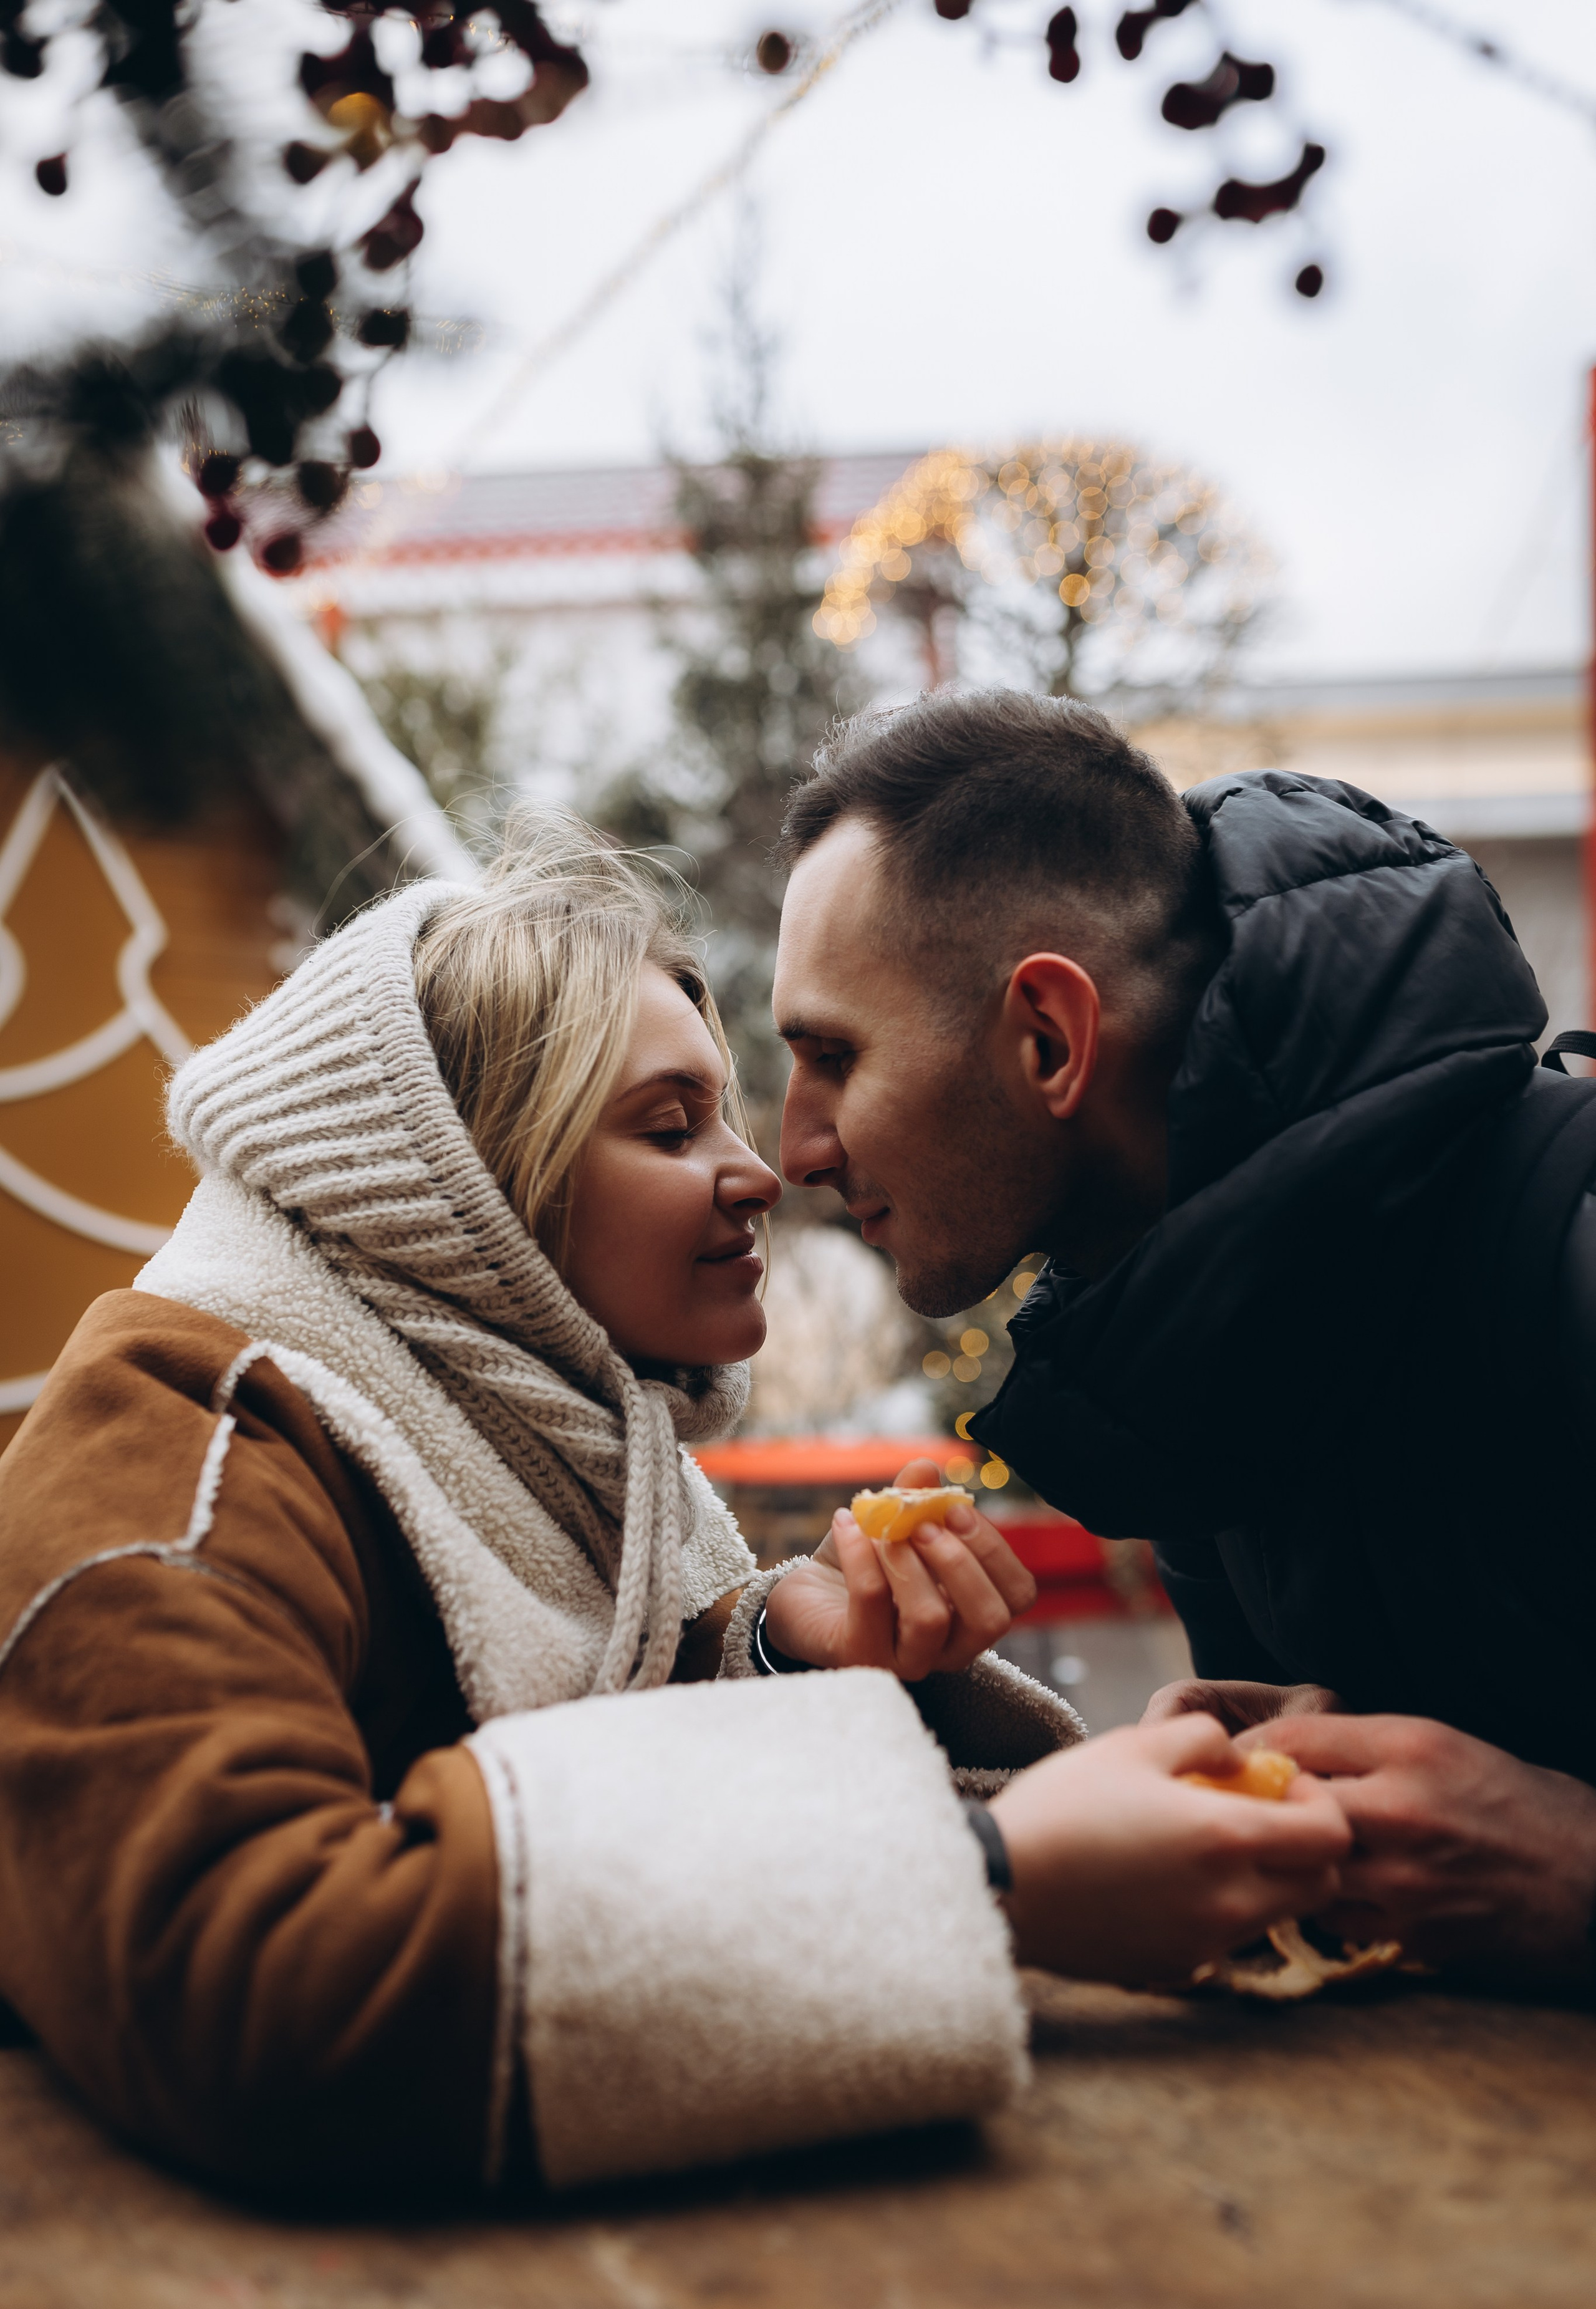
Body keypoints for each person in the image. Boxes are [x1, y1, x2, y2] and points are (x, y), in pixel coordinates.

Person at [0, 815, 1348, 2200]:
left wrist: (772, 1659)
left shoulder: (520, 1434)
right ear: (470, 1194)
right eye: (667, 1125)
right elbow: (243, 1983)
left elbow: (523, 1731)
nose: (759, 1169)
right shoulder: (178, 1453)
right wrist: (985, 1872)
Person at [774, 688, 1596, 1997]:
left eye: (831, 1055)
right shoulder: (1181, 1368)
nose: (792, 1150)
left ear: (1048, 1038)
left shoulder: (1568, 1239)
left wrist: (1566, 1869)